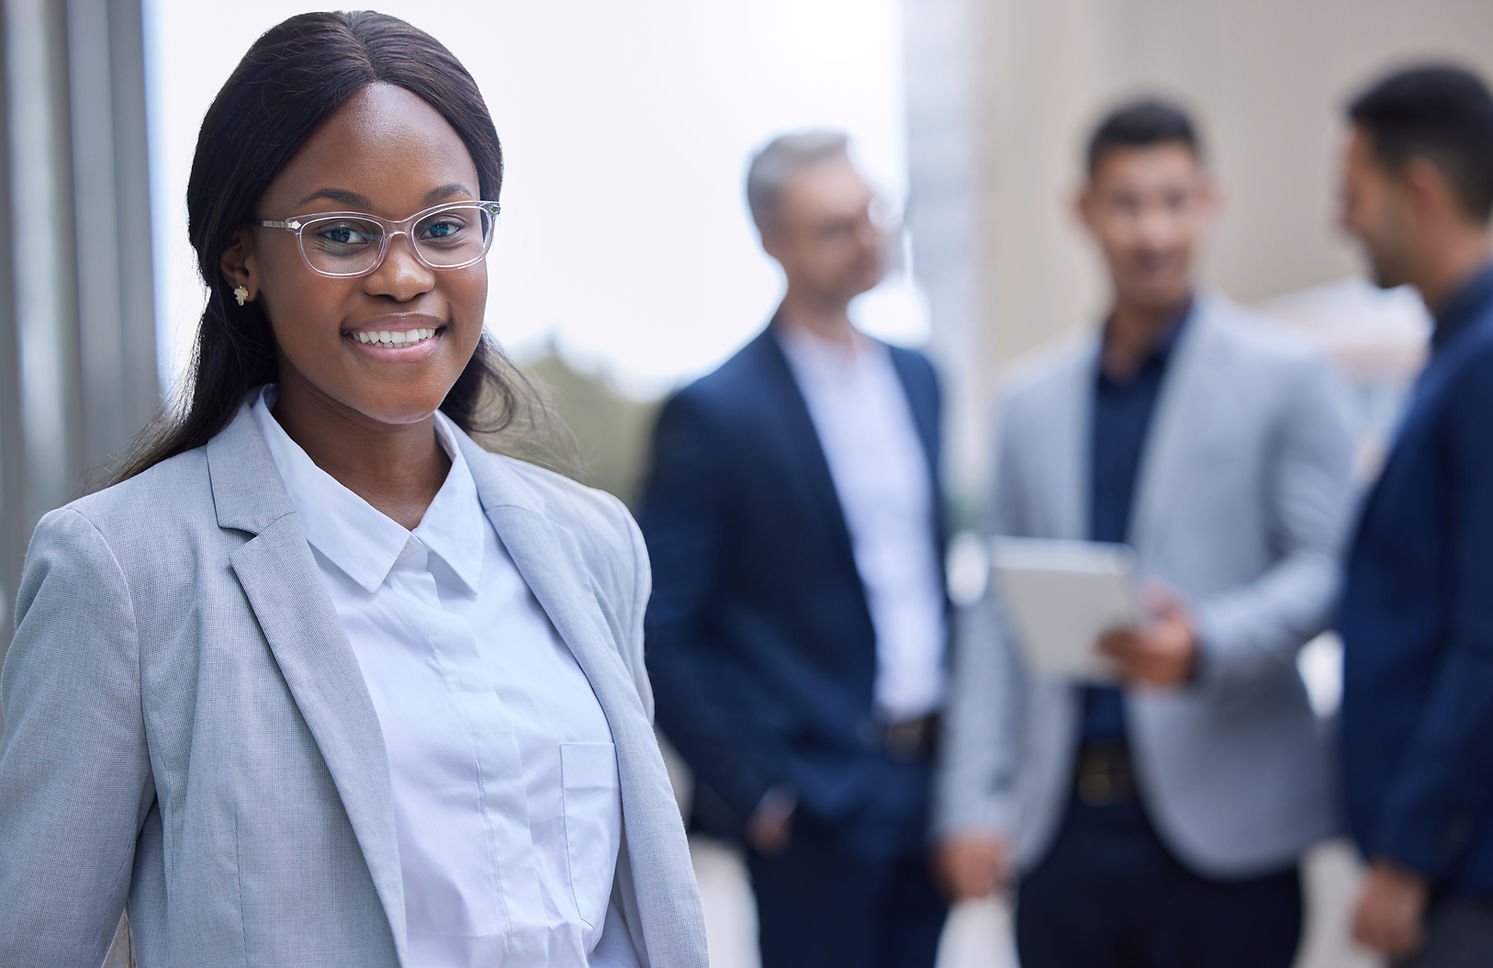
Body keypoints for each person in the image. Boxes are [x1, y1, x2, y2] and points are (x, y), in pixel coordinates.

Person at [0, 12, 706, 968]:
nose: (405, 274)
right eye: (342, 233)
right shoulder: (123, 573)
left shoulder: (592, 546)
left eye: (445, 226)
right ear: (240, 259)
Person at [933, 98, 1356, 968]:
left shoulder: (1291, 376)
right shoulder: (1028, 402)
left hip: (1231, 831)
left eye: (1173, 200)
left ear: (1209, 201)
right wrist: (971, 801)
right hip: (1064, 831)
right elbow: (994, 611)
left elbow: (1328, 569)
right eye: (1127, 203)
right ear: (1082, 210)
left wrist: (1205, 643)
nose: (1152, 231)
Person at [639, 131, 949, 967]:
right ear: (773, 242)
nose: (865, 239)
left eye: (869, 214)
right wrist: (760, 790)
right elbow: (662, 624)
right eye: (833, 227)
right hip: (812, 805)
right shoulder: (716, 412)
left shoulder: (920, 379)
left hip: (928, 782)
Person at [1337, 64, 1493, 967]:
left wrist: (1407, 851)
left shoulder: (1480, 368)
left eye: (1351, 193)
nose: (1341, 220)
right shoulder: (1452, 354)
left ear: (1418, 191)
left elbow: (1485, 639)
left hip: (1462, 877)